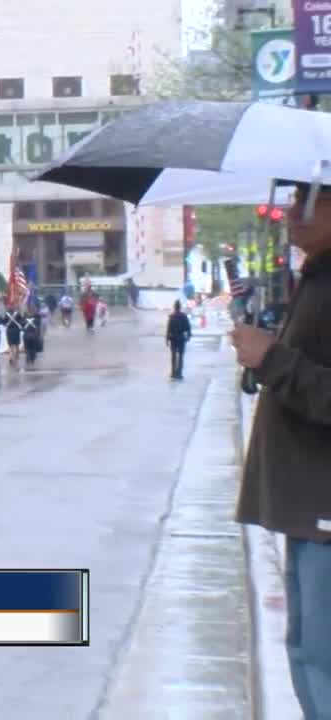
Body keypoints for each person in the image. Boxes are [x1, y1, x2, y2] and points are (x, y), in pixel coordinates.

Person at [233, 181, 331, 720]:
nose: (292, 212)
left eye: (310, 200)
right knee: (305, 651)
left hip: (324, 507)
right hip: (308, 508)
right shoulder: (315, 279)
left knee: (321, 656)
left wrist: (272, 359)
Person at [165, 300, 191, 380]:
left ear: (174, 307)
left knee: (173, 356)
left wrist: (167, 339)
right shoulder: (184, 316)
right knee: (180, 356)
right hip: (181, 338)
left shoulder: (171, 317)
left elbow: (168, 329)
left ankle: (173, 372)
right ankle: (179, 373)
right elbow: (188, 327)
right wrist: (188, 336)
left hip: (173, 338)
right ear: (180, 307)